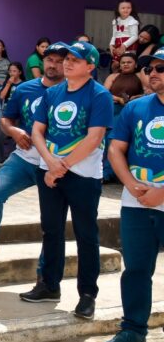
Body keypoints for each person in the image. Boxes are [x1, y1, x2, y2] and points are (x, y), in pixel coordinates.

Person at [23, 41, 113, 319]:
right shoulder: (53, 93)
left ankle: (87, 295)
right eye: (67, 58)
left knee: (86, 235)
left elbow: (94, 137)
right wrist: (50, 164)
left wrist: (61, 166)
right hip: (49, 171)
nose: (68, 62)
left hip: (83, 175)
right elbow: (37, 131)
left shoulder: (100, 95)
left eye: (76, 59)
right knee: (51, 230)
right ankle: (50, 285)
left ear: (90, 66)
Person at [0, 45, 66, 264]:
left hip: (57, 165)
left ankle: (46, 271)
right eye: (50, 60)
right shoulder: (25, 89)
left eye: (59, 61)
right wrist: (13, 131)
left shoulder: (73, 92)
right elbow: (5, 119)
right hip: (25, 158)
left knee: (52, 219)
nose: (53, 65)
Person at [102, 48, 164, 342]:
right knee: (136, 268)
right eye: (150, 68)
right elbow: (116, 148)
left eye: (160, 68)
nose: (153, 74)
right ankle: (133, 330)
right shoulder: (136, 108)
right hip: (136, 203)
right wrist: (129, 183)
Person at [109, 0, 139, 69]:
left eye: (128, 8)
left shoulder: (132, 21)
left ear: (131, 9)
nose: (126, 10)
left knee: (127, 64)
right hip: (117, 44)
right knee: (115, 64)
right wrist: (111, 45)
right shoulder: (116, 21)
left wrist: (124, 45)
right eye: (123, 8)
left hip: (129, 45)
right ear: (118, 9)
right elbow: (114, 35)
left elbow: (135, 36)